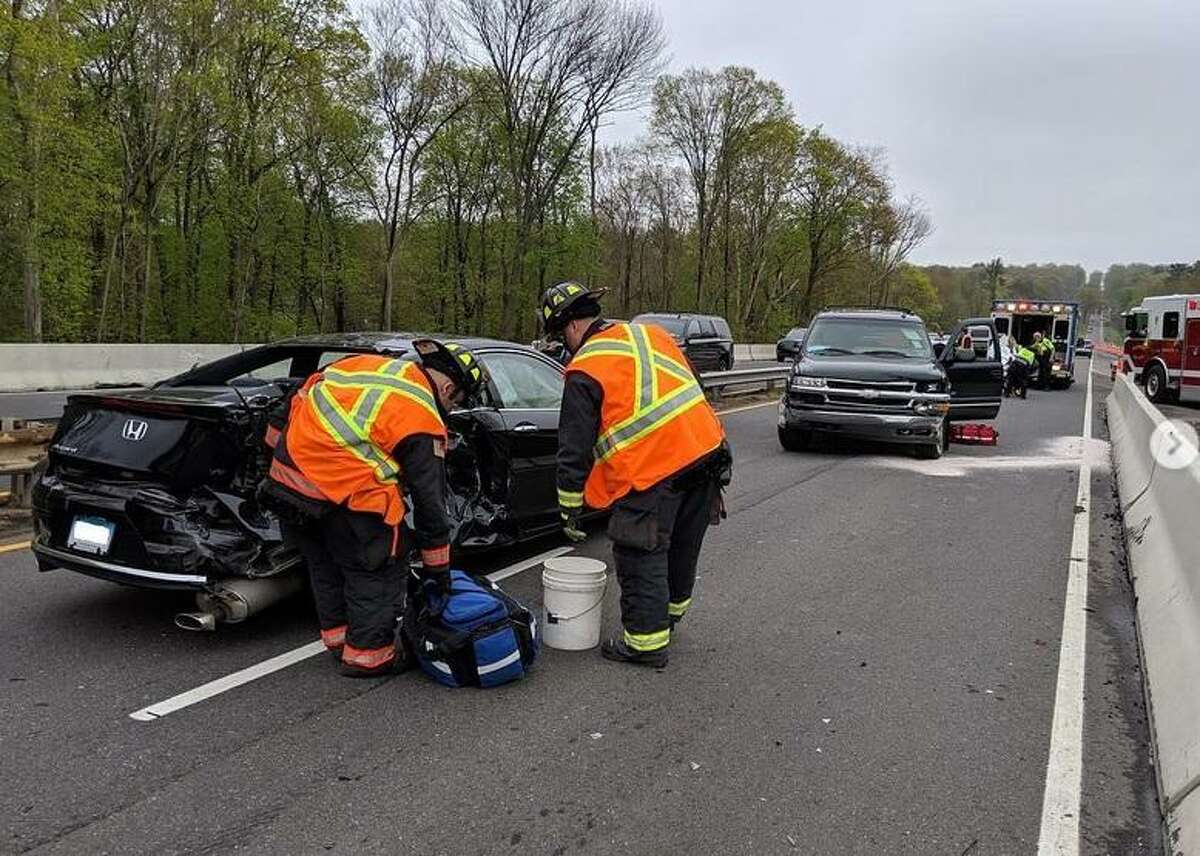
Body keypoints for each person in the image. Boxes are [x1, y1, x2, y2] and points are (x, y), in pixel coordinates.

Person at [259, 340, 485, 677]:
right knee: (375, 566)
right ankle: (369, 656)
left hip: (287, 487)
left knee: (325, 565)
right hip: (343, 495)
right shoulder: (420, 413)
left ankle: (338, 641)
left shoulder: (359, 366)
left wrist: (284, 463)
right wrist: (438, 570)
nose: (450, 412)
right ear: (449, 388)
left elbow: (284, 415)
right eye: (456, 403)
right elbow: (429, 504)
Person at [542, 281, 732, 668]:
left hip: (653, 470)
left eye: (560, 337)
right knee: (683, 543)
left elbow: (573, 448)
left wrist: (569, 508)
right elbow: (694, 388)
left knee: (639, 550)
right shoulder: (652, 334)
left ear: (571, 328)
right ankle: (668, 617)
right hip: (707, 453)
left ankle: (645, 644)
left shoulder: (585, 368)